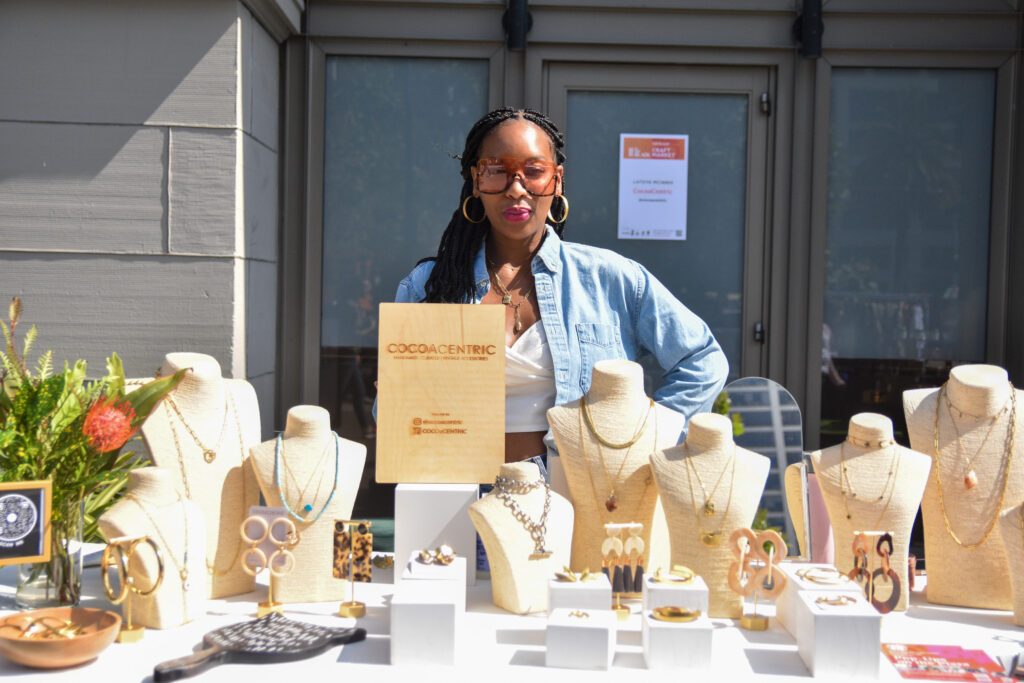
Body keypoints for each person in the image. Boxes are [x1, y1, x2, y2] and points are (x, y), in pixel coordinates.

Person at [394, 107, 728, 470]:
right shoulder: (429, 285)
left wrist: (648, 440)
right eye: (497, 172)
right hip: (457, 492)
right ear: (476, 180)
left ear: (557, 181)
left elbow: (702, 360)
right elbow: (399, 416)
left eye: (534, 172)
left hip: (574, 494)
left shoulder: (610, 278)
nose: (516, 188)